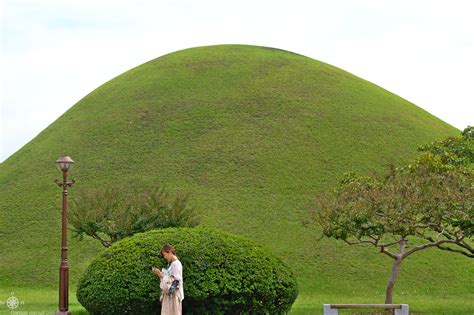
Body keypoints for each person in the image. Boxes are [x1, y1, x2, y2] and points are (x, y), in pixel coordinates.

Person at [152, 244, 184, 315]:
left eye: (165, 255)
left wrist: (161, 275)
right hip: (171, 295)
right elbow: (171, 279)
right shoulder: (173, 264)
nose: (165, 257)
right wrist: (161, 275)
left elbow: (176, 282)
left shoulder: (176, 264)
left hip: (173, 296)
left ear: (169, 252)